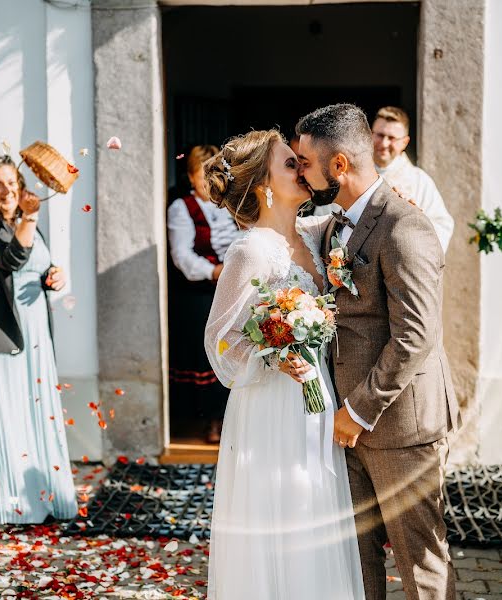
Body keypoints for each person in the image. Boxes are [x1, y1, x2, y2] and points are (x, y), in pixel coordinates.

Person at [297, 103, 460, 599]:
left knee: (420, 561)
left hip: (398, 422)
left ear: (339, 165)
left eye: (304, 162)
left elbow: (416, 334)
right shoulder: (331, 225)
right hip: (344, 423)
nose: (300, 172)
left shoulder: (403, 225)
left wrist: (358, 410)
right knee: (356, 558)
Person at [203, 129, 365, 598]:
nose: (304, 167)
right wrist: (274, 355)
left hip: (316, 402)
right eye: (291, 163)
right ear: (263, 185)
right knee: (283, 508)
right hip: (273, 407)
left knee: (313, 507)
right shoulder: (251, 251)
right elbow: (219, 341)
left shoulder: (315, 236)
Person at [0, 155, 76, 525]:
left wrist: (53, 276)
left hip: (35, 330)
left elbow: (34, 268)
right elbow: (10, 260)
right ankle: (16, 505)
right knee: (6, 415)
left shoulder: (22, 221)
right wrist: (30, 216)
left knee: (35, 410)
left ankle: (48, 495)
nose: (8, 190)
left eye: (13, 182)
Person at [167, 145, 239, 443]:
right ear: (190, 176)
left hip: (233, 289)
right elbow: (181, 255)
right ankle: (211, 420)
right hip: (200, 293)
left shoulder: (231, 204)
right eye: (202, 175)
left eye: (215, 173)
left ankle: (231, 417)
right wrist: (214, 271)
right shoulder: (182, 207)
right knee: (208, 354)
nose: (209, 182)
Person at [371, 106, 454, 253]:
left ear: (404, 142)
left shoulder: (419, 180)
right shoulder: (352, 175)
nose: (384, 144)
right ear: (370, 135)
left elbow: (442, 224)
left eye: (391, 138)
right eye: (379, 135)